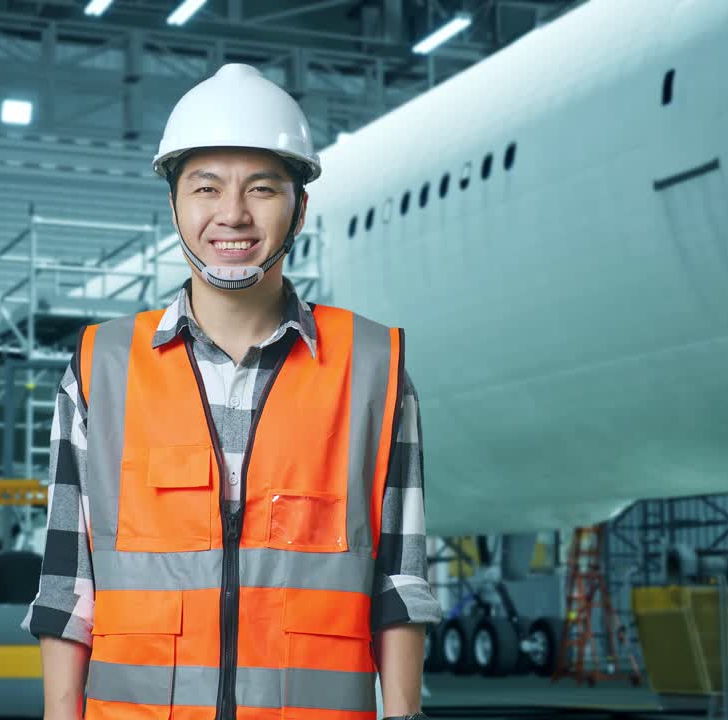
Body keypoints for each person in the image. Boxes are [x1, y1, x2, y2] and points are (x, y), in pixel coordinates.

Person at [22, 63, 441, 720]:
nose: (232, 215)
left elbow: (401, 586)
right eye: (206, 188)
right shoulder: (99, 368)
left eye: (263, 189)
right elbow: (68, 590)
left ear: (300, 207)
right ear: (174, 205)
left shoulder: (374, 370)